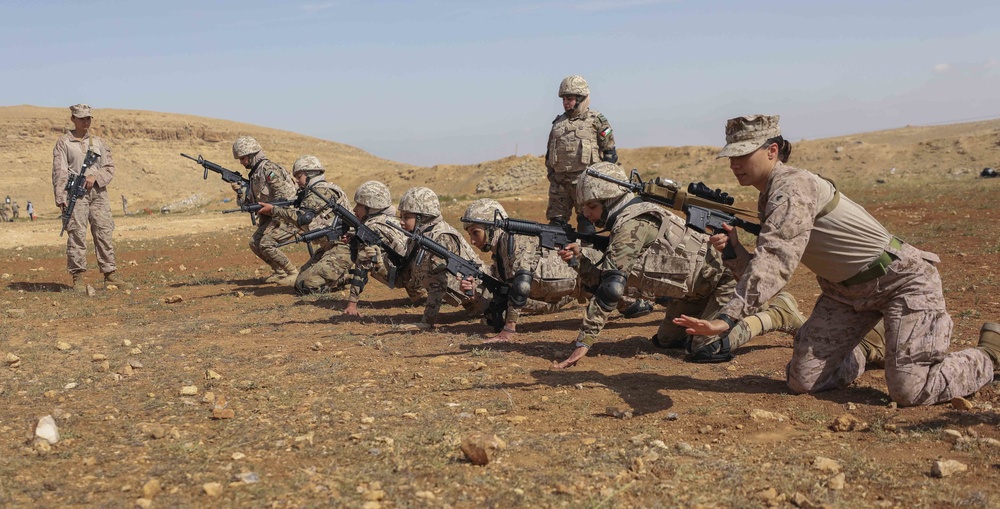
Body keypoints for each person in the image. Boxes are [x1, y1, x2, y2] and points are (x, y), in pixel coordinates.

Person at [676, 114, 998, 407]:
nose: (735, 163)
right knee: (802, 380)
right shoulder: (770, 195)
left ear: (772, 150)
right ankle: (867, 347)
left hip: (901, 282)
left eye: (744, 154)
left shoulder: (791, 188)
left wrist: (728, 318)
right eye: (732, 155)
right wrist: (733, 250)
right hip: (844, 295)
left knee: (910, 390)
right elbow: (763, 266)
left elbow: (775, 262)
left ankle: (989, 356)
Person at [552, 162, 806, 369]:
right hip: (695, 290)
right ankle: (716, 316)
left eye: (593, 207)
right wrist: (578, 261)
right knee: (667, 342)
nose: (586, 214)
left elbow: (611, 289)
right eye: (583, 207)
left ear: (611, 201)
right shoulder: (622, 226)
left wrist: (583, 343)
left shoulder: (633, 225)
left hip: (723, 279)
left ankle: (777, 313)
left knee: (705, 348)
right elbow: (603, 280)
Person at [459, 198, 653, 344]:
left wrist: (509, 330)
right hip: (567, 292)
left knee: (649, 286)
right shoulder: (501, 252)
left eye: (476, 233)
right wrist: (474, 285)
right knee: (628, 294)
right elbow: (502, 282)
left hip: (587, 274)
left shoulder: (514, 240)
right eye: (470, 235)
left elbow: (522, 285)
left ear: (493, 228)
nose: (473, 241)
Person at [51, 104, 121, 291]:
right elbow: (60, 171)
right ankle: (78, 277)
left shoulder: (98, 143)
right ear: (73, 119)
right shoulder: (64, 143)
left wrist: (95, 177)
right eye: (81, 118)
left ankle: (110, 274)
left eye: (88, 118)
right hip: (76, 194)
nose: (85, 121)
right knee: (77, 234)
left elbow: (109, 167)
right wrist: (61, 197)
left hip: (98, 193)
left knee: (104, 231)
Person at [397, 187, 488, 330]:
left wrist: (427, 321)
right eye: (400, 217)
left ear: (422, 217)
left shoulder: (440, 236)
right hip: (469, 298)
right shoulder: (422, 234)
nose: (401, 222)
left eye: (406, 217)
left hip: (484, 293)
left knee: (524, 304)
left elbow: (439, 282)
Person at [259, 155, 352, 293]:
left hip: (342, 248)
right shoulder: (314, 191)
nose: (297, 181)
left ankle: (345, 277)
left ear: (310, 174)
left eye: (299, 176)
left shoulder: (322, 191)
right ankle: (335, 275)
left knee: (310, 285)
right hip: (328, 247)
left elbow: (303, 218)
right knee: (299, 283)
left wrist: (274, 210)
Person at [545, 75, 617, 236]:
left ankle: (586, 258)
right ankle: (558, 260)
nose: (565, 103)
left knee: (586, 224)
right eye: (563, 99)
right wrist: (553, 177)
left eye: (569, 99)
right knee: (555, 226)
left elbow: (610, 154)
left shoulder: (597, 121)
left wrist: (599, 182)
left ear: (581, 98)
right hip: (560, 185)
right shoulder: (558, 123)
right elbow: (549, 154)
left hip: (585, 183)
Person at [230, 136, 299, 285]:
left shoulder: (269, 170)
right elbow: (247, 204)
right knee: (254, 243)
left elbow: (284, 199)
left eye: (242, 158)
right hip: (273, 217)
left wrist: (270, 209)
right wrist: (240, 191)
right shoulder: (255, 175)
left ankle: (293, 273)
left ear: (251, 155)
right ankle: (279, 272)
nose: (241, 162)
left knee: (266, 243)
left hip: (288, 217)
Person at [343, 181, 411, 317]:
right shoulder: (389, 220)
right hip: (414, 277)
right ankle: (418, 294)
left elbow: (362, 263)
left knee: (369, 255)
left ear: (370, 208)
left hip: (406, 277)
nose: (354, 210)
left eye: (359, 205)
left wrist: (352, 304)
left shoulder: (371, 227)